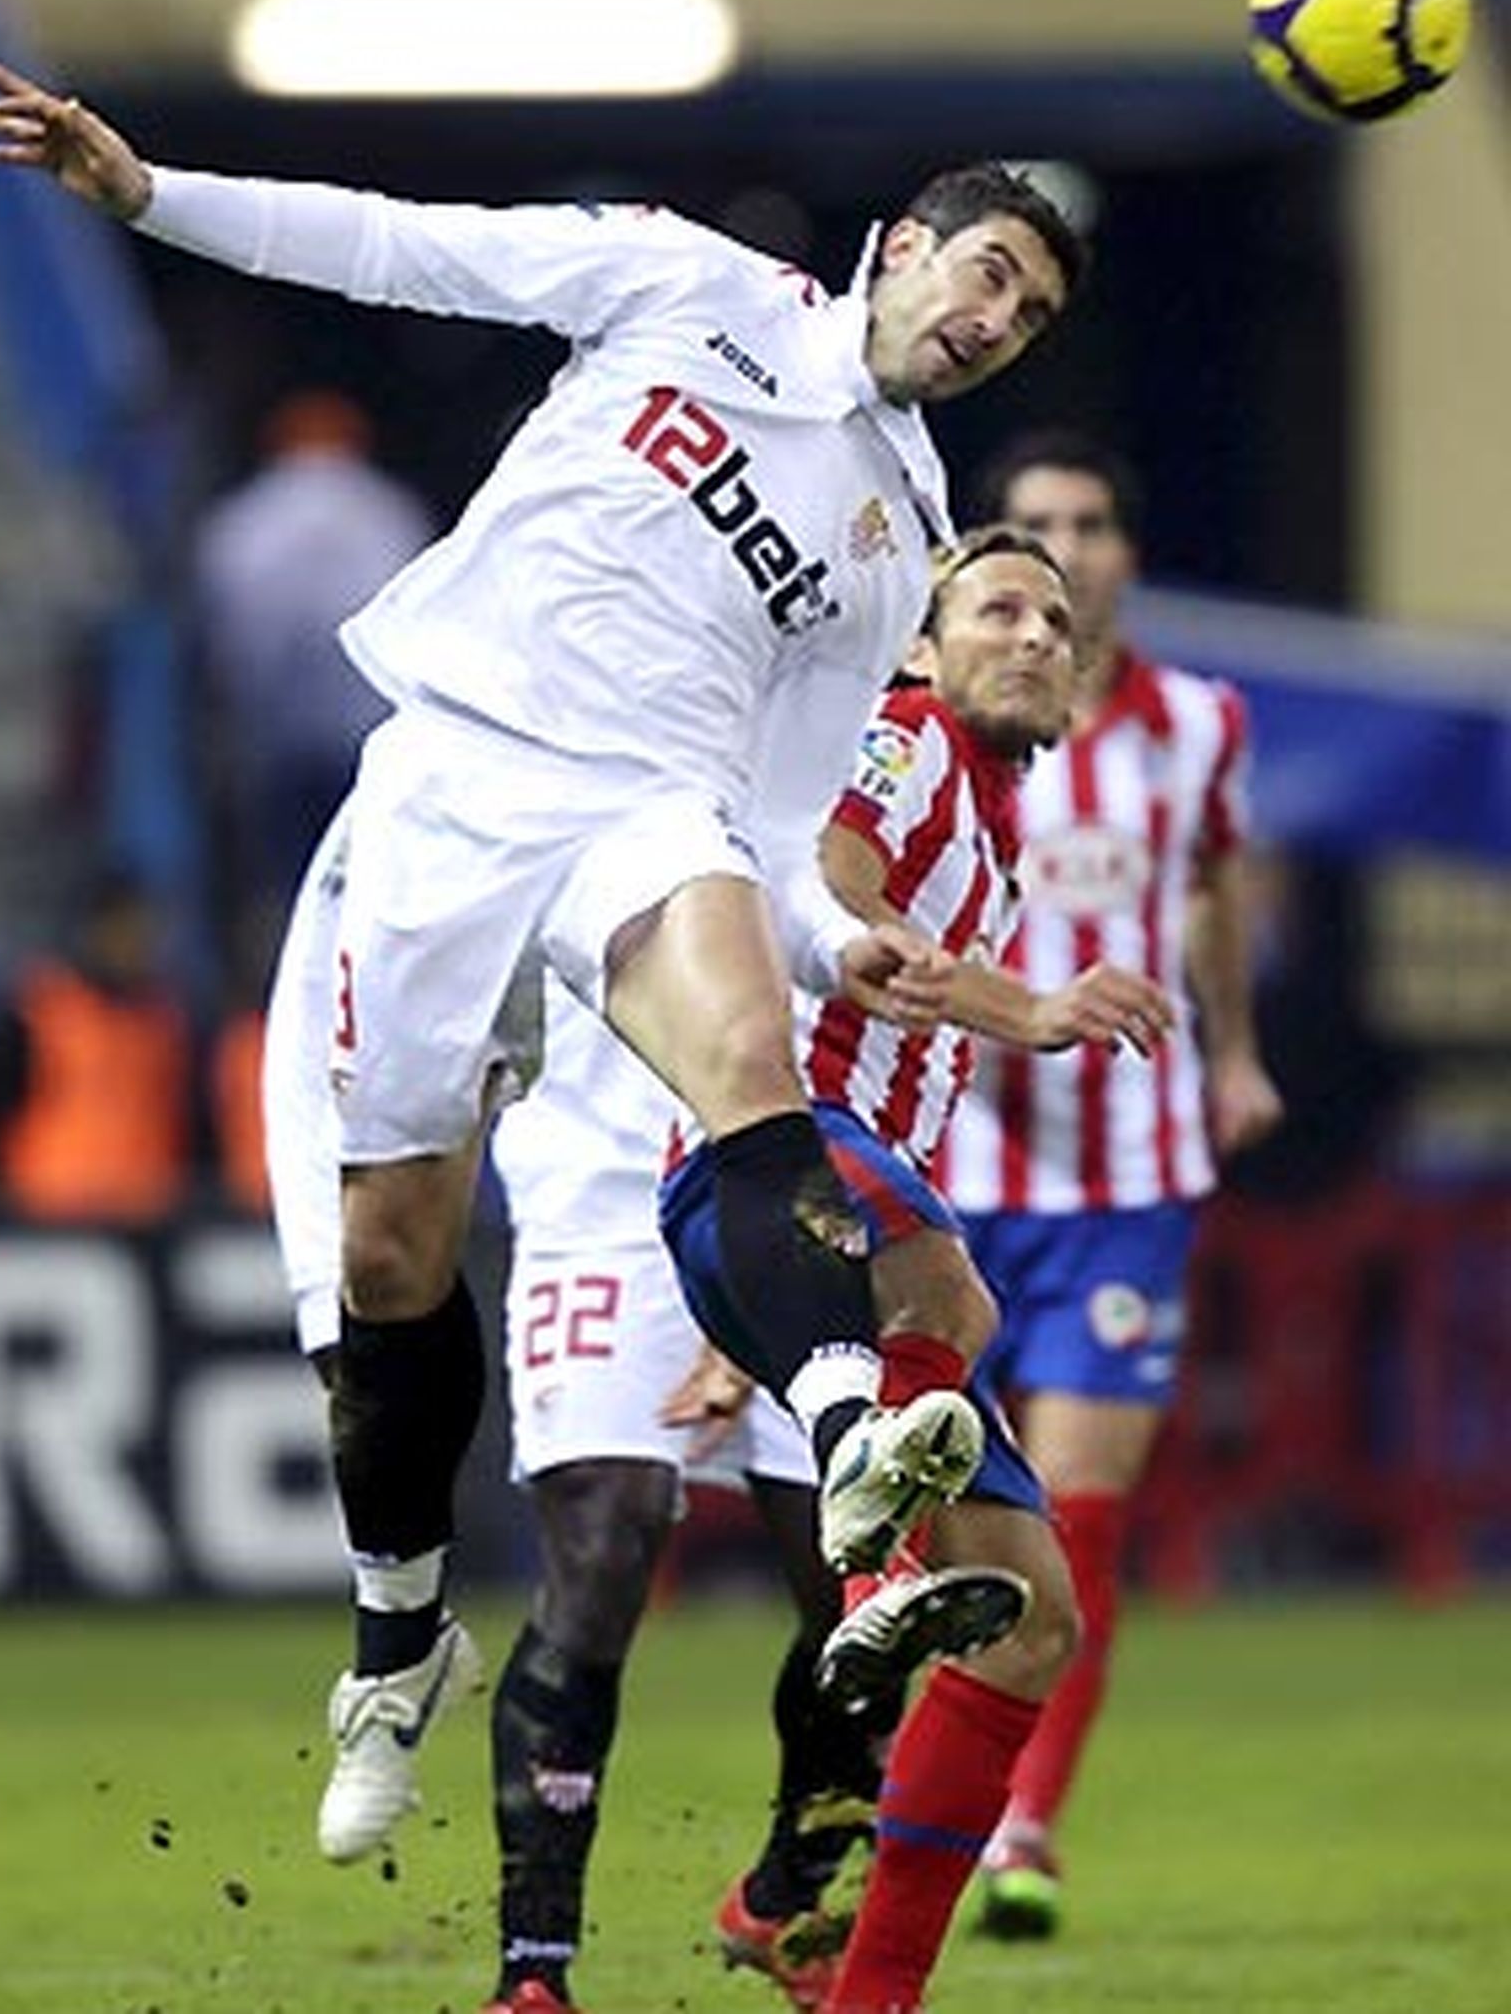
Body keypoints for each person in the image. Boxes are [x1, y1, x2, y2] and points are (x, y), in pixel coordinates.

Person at [0, 57, 1085, 1870]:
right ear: (898, 251)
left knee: (750, 1061)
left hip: (646, 816)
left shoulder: (903, 545)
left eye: (1025, 315)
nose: (989, 320)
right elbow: (405, 251)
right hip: (452, 785)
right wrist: (147, 191)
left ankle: (840, 1419)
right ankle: (399, 1628)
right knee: (393, 1261)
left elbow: (788, 823)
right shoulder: (684, 284)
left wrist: (835, 933)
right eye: (980, 274)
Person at [660, 525, 1176, 2014]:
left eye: (1056, 623)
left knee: (1036, 1622)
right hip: (783, 1147)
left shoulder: (1003, 818)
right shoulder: (900, 741)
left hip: (850, 1225)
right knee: (955, 1292)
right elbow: (822, 888)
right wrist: (1035, 1010)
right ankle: (878, 1566)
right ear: (923, 646)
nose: (1031, 636)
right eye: (997, 609)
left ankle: (860, 1983)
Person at [266, 806, 884, 2014]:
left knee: (850, 1574)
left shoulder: (815, 699)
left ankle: (790, 1890)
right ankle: (532, 1973)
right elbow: (326, 1017)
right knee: (605, 1539)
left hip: (791, 1174)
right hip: (595, 1197)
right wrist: (323, 1290)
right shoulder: (464, 745)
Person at [940, 430, 1284, 1940]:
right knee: (924, 1525)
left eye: (1088, 524)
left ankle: (1022, 1825)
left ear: (1129, 554)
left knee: (1079, 1520)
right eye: (1032, 526)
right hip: (949, 1166)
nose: (1063, 549)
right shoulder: (936, 716)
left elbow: (1211, 880)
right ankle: (903, 1802)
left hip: (1129, 1178)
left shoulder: (1198, 724)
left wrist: (1234, 1050)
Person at [192, 387, 432, 911]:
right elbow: (420, 626)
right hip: (369, 734)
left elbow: (231, 634)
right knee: (368, 886)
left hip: (276, 731)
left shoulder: (244, 519)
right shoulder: (389, 512)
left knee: (289, 889)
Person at [0, 862, 195, 1226]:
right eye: (120, 928)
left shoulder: (166, 1019)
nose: (133, 942)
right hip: (54, 1221)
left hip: (149, 1222)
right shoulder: (38, 1012)